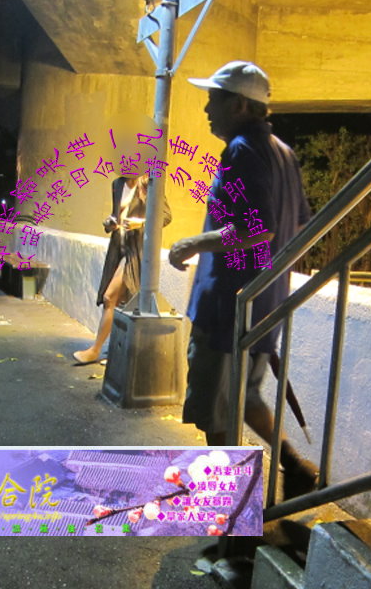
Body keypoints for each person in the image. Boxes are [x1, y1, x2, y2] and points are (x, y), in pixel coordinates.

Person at [168, 61, 317, 498]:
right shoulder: (283, 153)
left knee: (215, 410)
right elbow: (301, 224)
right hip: (264, 305)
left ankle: (226, 505)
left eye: (213, 99)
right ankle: (294, 466)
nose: (206, 109)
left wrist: (192, 243)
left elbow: (257, 228)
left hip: (227, 305)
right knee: (245, 398)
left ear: (238, 105)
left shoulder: (242, 150)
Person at [73, 173, 172, 364]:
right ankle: (116, 353)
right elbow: (116, 215)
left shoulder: (149, 183)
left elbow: (166, 216)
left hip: (137, 251)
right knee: (120, 302)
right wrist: (109, 223)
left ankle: (95, 350)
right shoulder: (118, 184)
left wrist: (141, 223)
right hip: (118, 248)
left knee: (110, 297)